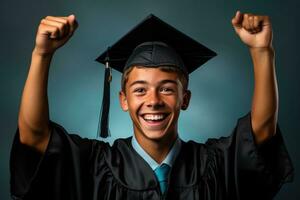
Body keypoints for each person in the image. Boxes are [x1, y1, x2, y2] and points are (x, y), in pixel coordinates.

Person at [10, 11, 293, 200]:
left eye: (167, 89)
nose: (153, 101)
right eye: (140, 89)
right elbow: (34, 136)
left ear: (185, 99)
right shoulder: (95, 165)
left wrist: (261, 52)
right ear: (123, 100)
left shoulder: (214, 164)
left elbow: (262, 131)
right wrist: (41, 54)